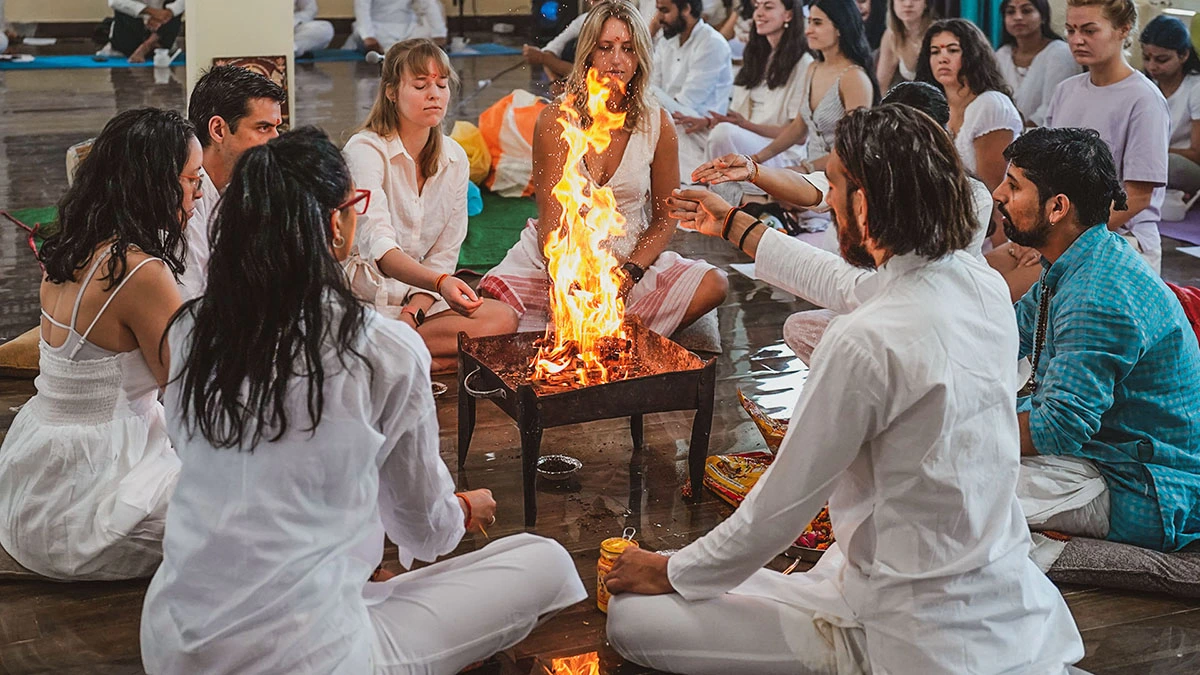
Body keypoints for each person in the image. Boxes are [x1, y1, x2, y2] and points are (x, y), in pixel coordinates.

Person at [605, 104, 1084, 675]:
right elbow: (850, 283)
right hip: (998, 594)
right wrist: (732, 224)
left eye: (831, 186)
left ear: (864, 202)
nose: (825, 202)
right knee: (767, 575)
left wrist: (671, 570)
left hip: (905, 628)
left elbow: (781, 510)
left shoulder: (865, 341)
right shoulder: (977, 282)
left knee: (633, 618)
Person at [139, 127, 586, 674]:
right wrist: (464, 509)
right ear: (336, 224)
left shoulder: (191, 328)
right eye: (355, 206)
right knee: (545, 561)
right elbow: (423, 529)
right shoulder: (381, 349)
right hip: (309, 655)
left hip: (173, 638)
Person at [0, 108, 200, 580]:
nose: (197, 194)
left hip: (33, 488)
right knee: (257, 502)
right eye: (192, 181)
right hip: (94, 495)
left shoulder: (70, 249)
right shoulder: (138, 271)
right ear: (157, 184)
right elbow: (185, 392)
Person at [993, 127, 1200, 551]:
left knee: (953, 484)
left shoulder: (1097, 293)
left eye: (1013, 185)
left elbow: (1058, 426)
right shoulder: (1077, 259)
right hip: (1103, 451)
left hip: (1143, 486)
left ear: (1057, 208)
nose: (998, 194)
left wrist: (954, 435)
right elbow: (1006, 334)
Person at [690, 81, 996, 363]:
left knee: (838, 338)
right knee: (807, 327)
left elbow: (865, 288)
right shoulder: (876, 176)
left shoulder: (969, 199)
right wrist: (753, 173)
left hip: (932, 333)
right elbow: (816, 189)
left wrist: (736, 226)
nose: (834, 203)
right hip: (882, 305)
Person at [479, 1, 728, 337]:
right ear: (589, 55)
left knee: (714, 283)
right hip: (558, 265)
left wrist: (629, 275)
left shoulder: (658, 123)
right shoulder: (556, 120)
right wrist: (574, 283)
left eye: (628, 49)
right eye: (606, 47)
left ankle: (612, 334)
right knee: (496, 320)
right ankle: (615, 331)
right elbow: (553, 223)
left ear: (640, 57)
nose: (616, 60)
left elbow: (664, 217)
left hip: (629, 263)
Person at [343, 39, 518, 372]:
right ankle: (406, 354)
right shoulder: (364, 150)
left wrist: (414, 312)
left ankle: (401, 355)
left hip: (419, 308)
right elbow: (379, 249)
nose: (434, 94)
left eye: (441, 84)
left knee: (504, 319)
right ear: (392, 91)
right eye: (420, 85)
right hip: (365, 302)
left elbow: (444, 255)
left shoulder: (454, 158)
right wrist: (439, 284)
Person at [1041, 0, 1169, 276]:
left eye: (1089, 30)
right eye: (1071, 30)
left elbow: (1137, 197)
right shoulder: (1065, 91)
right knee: (991, 270)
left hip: (1121, 235)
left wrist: (1069, 239)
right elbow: (1044, 171)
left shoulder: (1144, 99)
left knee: (1011, 288)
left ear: (1123, 30)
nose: (1077, 40)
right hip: (1061, 229)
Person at [179, 65, 287, 301]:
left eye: (277, 128)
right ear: (218, 129)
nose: (276, 140)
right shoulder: (183, 203)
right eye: (263, 128)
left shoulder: (243, 187)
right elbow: (192, 305)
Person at [745, 0, 878, 178]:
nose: (808, 30)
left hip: (841, 176)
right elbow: (798, 127)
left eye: (817, 23)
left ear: (840, 28)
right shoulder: (813, 68)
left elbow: (851, 147)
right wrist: (755, 159)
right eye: (809, 22)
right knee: (734, 182)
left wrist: (805, 169)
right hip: (810, 172)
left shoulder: (854, 78)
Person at [702, 0, 814, 176]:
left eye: (768, 7)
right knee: (712, 132)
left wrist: (745, 125)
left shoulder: (804, 63)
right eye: (757, 7)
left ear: (789, 15)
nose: (758, 14)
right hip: (746, 139)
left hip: (780, 152)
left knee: (723, 134)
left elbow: (799, 136)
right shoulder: (757, 54)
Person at [916, 18, 1022, 200]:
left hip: (988, 216)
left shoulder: (990, 104)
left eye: (953, 50)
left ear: (972, 55)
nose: (942, 58)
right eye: (935, 52)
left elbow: (992, 191)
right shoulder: (930, 107)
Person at [650, 0, 733, 180]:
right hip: (669, 117)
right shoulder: (667, 41)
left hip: (700, 128)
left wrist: (646, 91)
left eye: (664, 11)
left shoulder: (712, 43)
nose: (658, 18)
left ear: (686, 9)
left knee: (643, 90)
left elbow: (686, 104)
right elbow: (654, 81)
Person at [995, 0, 1080, 127]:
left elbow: (1052, 107)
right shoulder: (1002, 54)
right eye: (1011, 12)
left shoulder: (1060, 53)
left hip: (1047, 138)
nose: (1017, 17)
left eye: (1026, 11)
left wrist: (1018, 132)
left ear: (1043, 17)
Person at [1141, 14, 1200, 195]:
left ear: (1183, 55)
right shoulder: (1145, 87)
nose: (1152, 66)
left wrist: (1152, 151)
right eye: (1146, 58)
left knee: (1168, 163)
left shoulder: (1196, 88)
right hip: (1155, 161)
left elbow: (1197, 154)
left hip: (1185, 167)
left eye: (1162, 59)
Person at [347, 0, 447, 54]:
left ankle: (396, 49)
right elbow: (362, 9)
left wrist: (439, 35)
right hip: (377, 29)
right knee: (360, 33)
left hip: (407, 29)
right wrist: (369, 38)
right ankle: (403, 49)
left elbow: (428, 4)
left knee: (430, 32)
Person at [103, 0, 184, 64]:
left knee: (177, 10)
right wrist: (152, 12)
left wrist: (169, 12)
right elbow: (114, 1)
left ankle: (148, 45)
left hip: (162, 37)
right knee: (121, 7)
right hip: (129, 36)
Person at [875, 0, 932, 87]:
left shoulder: (936, 33)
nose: (908, 4)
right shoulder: (892, 35)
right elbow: (881, 84)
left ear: (926, 3)